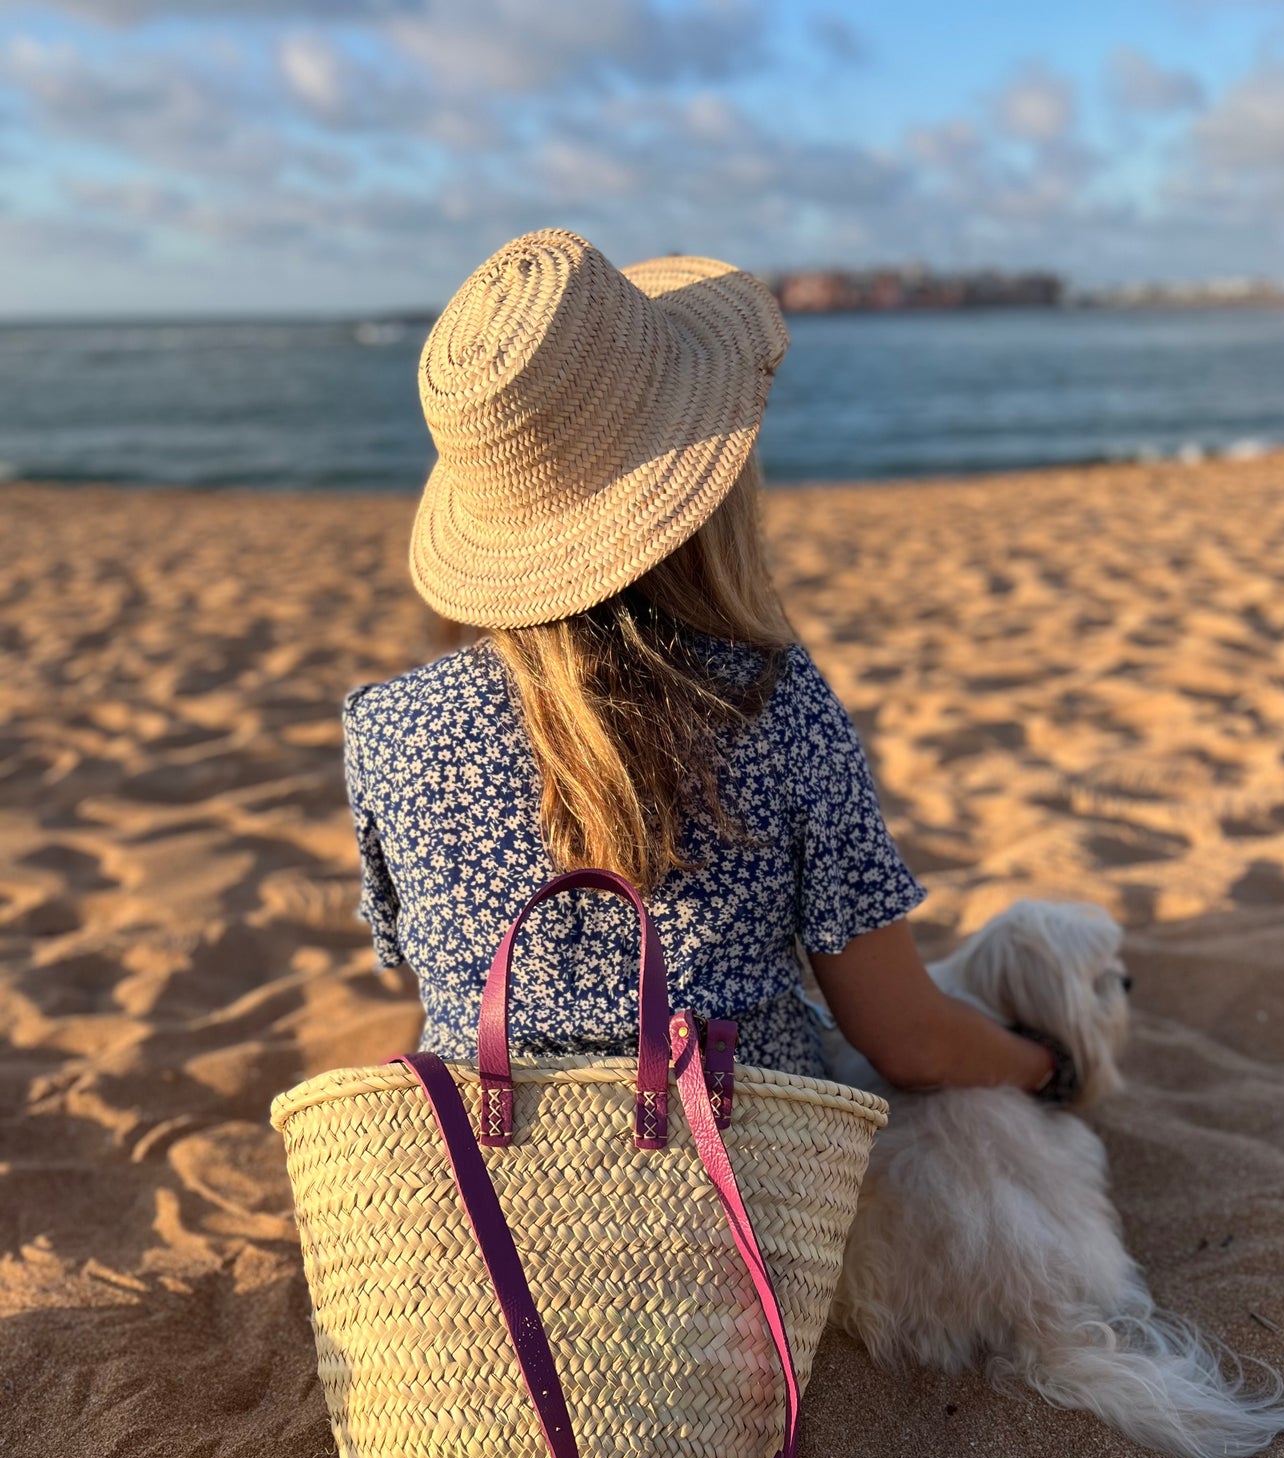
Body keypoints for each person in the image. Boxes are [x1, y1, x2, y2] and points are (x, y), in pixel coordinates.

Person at [343, 230, 1054, 1096]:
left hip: (483, 1193)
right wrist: (1049, 1067)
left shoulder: (386, 727)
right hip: (743, 1191)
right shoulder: (774, 704)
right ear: (705, 481)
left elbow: (413, 964)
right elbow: (905, 1040)